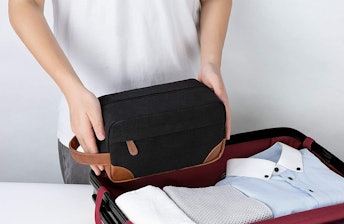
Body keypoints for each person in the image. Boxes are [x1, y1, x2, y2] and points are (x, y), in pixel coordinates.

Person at [9, 0, 232, 184]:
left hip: (184, 122)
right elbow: (22, 5)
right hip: (94, 130)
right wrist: (72, 89)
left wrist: (211, 62)